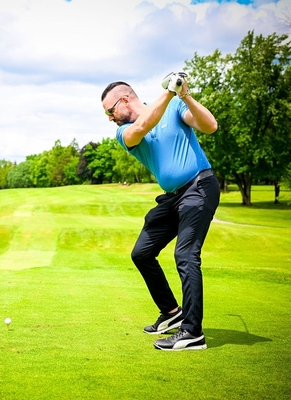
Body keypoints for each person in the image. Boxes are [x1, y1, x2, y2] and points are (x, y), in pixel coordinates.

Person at [101, 73, 220, 351]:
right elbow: (142, 126)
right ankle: (171, 312)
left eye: (110, 111)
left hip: (199, 187)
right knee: (141, 253)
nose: (109, 117)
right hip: (172, 198)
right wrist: (169, 92)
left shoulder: (176, 107)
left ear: (125, 100)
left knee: (186, 254)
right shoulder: (123, 133)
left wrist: (184, 95)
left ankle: (192, 332)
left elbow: (210, 126)